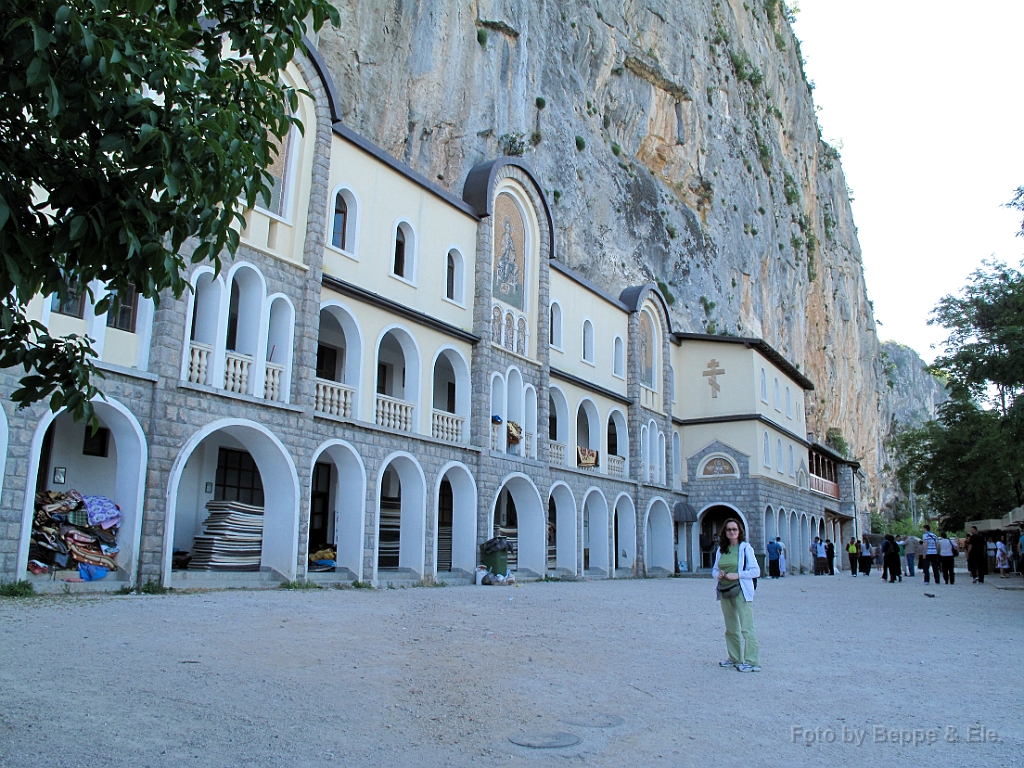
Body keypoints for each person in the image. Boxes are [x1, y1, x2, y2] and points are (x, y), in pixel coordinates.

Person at [712, 518, 761, 673]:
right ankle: (734, 657)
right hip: (725, 590)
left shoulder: (745, 549)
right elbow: (714, 569)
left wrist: (738, 575)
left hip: (740, 590)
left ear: (739, 532)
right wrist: (718, 575)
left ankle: (752, 661)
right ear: (724, 532)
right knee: (730, 627)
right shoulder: (721, 550)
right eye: (728, 529)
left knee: (747, 626)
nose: (731, 532)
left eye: (734, 529)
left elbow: (756, 571)